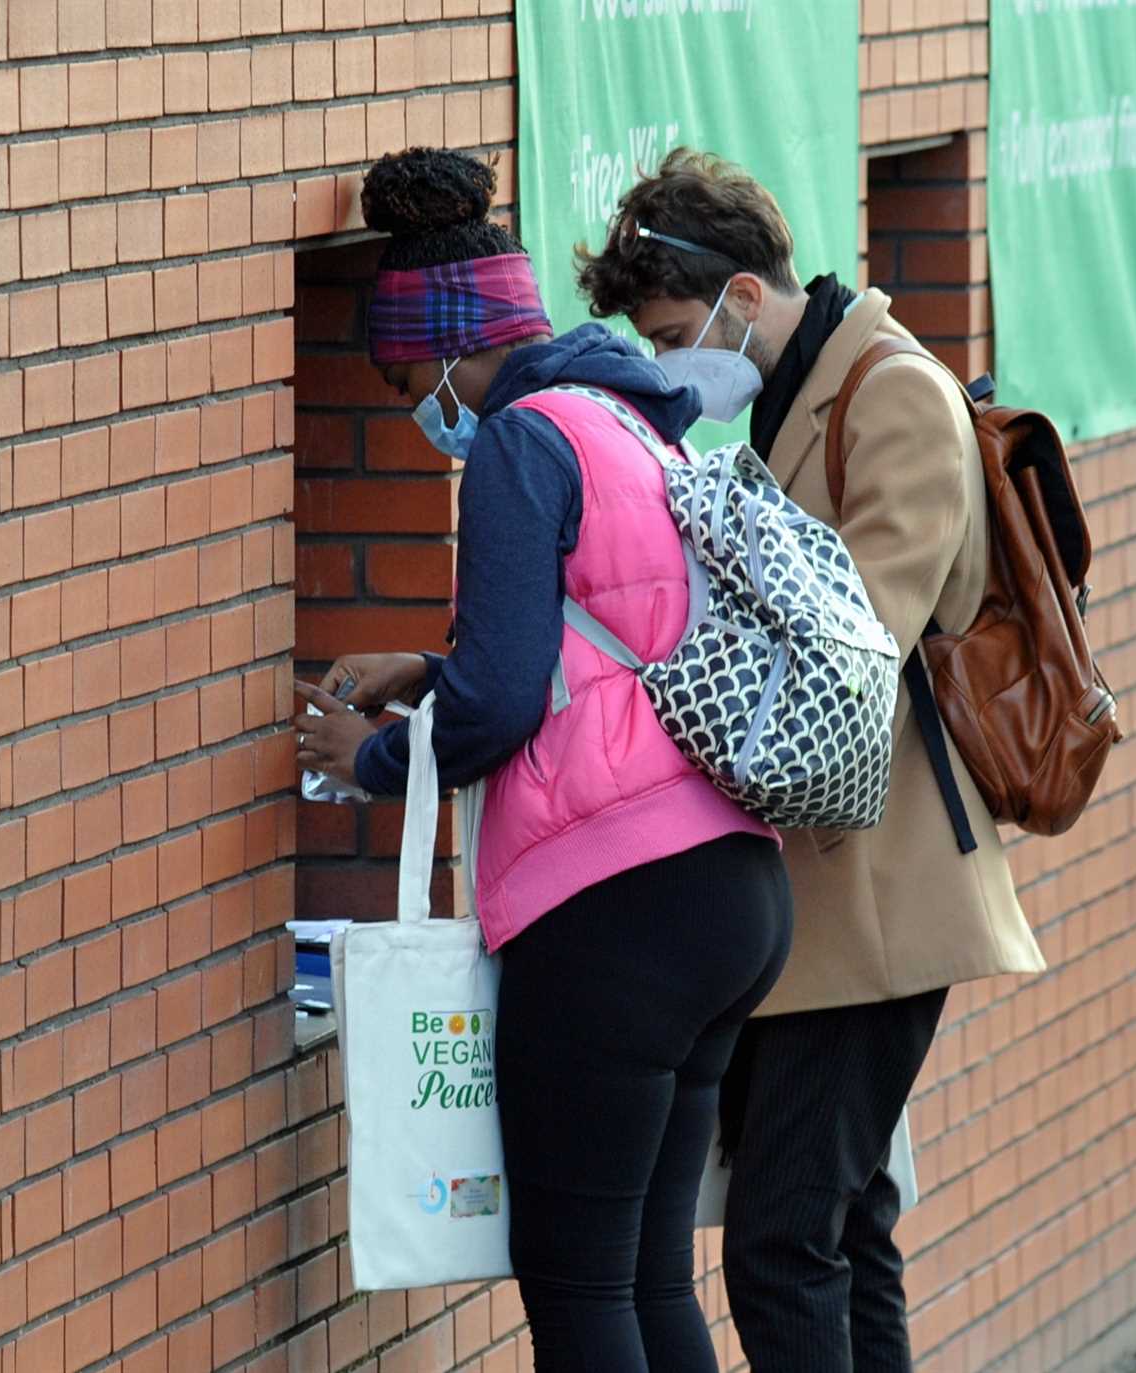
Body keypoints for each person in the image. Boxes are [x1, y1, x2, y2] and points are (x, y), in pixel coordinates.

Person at [292, 147, 792, 1373]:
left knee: (575, 1290)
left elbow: (508, 699)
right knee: (644, 1277)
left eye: (416, 379)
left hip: (614, 913)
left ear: (463, 348)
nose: (425, 413)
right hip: (730, 889)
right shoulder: (630, 418)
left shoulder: (519, 435)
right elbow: (600, 628)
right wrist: (434, 657)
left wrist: (375, 757)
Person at [576, 148, 1047, 1373]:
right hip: (819, 896)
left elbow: (854, 641)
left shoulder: (888, 391)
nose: (676, 361)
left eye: (679, 329)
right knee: (844, 1225)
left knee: (780, 1241)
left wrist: (667, 670)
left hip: (880, 889)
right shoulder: (802, 389)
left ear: (742, 293)